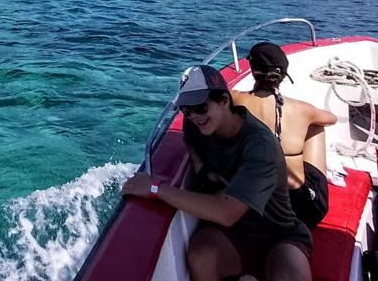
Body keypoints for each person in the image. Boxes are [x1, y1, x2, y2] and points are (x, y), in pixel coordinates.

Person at [123, 64, 312, 281]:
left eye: (201, 107)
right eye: (186, 110)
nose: (194, 116)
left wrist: (155, 188)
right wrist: (205, 172)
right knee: (201, 256)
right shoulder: (194, 127)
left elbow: (227, 213)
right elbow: (194, 151)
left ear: (224, 100)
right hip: (233, 235)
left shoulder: (260, 145)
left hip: (277, 234)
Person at [231, 42, 336, 228]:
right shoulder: (302, 109)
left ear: (253, 71)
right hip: (301, 209)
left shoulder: (234, 99)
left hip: (254, 204)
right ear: (283, 74)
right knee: (316, 125)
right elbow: (332, 119)